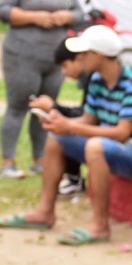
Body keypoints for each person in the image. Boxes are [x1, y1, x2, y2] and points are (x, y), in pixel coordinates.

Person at [0, 25, 132, 245]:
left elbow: (122, 133)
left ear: (98, 55)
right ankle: (45, 211)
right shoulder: (97, 79)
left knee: (95, 146)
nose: (79, 58)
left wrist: (69, 126)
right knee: (56, 138)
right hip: (118, 150)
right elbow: (87, 120)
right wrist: (58, 122)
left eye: (83, 53)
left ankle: (100, 225)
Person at [0, 0, 83, 179]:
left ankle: (39, 160)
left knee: (46, 107)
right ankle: (8, 162)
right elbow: (1, 10)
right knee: (18, 106)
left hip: (54, 61)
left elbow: (79, 14)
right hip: (21, 56)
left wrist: (66, 16)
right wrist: (35, 17)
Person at [28, 38, 92, 196]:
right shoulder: (91, 79)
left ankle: (72, 179)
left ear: (79, 58)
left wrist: (53, 108)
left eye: (64, 66)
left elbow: (86, 117)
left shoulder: (94, 78)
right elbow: (87, 114)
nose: (63, 72)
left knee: (63, 132)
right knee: (62, 127)